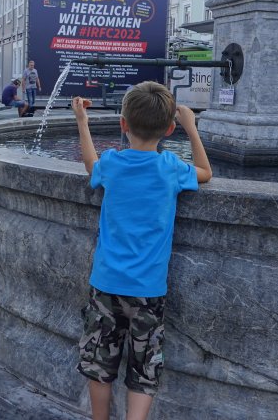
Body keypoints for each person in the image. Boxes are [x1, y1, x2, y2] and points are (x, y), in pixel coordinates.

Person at [72, 81, 212, 420]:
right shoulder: (170, 169)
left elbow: (90, 165)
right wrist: (191, 128)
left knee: (99, 363)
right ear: (168, 129)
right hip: (149, 291)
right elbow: (206, 172)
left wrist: (82, 122)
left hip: (106, 285)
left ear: (123, 124)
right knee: (144, 368)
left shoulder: (113, 164)